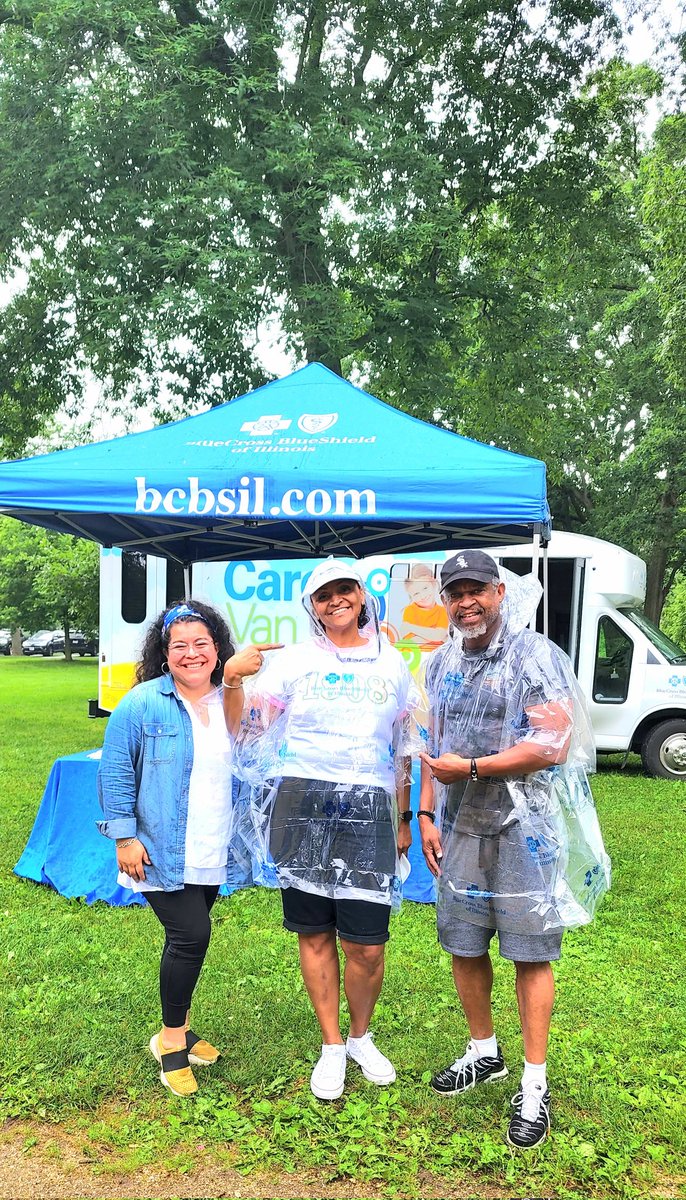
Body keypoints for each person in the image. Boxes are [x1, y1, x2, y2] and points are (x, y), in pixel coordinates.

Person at [418, 550, 610, 1150]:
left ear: (500, 592)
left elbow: (552, 743)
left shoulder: (536, 656)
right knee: (464, 943)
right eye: (456, 592)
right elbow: (430, 742)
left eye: (477, 589)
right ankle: (483, 1052)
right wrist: (425, 812)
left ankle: (534, 1082)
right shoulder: (440, 662)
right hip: (460, 828)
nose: (466, 601)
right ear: (445, 600)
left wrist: (470, 767)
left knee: (529, 952)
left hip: (525, 830)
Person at [226, 559, 418, 1101]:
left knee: (368, 944)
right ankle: (333, 1045)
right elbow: (249, 732)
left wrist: (403, 817)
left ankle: (361, 1036)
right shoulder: (294, 662)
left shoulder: (392, 664)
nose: (335, 601)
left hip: (370, 807)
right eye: (322, 595)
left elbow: (402, 750)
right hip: (302, 799)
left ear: (361, 595)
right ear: (311, 606)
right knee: (313, 931)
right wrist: (234, 679)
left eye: (344, 590)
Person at [97, 600, 270, 1098]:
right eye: (179, 646)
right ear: (164, 652)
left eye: (201, 644)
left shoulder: (231, 698)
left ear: (218, 650)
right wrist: (124, 837)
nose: (190, 654)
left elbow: (251, 748)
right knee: (191, 935)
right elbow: (115, 770)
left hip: (213, 844)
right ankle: (170, 1042)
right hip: (157, 848)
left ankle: (183, 1026)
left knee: (186, 943)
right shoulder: (143, 702)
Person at [401, 562, 449, 648]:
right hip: (414, 656)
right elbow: (410, 642)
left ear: (433, 584)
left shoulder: (443, 611)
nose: (422, 596)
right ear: (411, 596)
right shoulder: (410, 610)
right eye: (416, 594)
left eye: (425, 588)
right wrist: (437, 637)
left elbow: (440, 635)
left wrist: (410, 628)